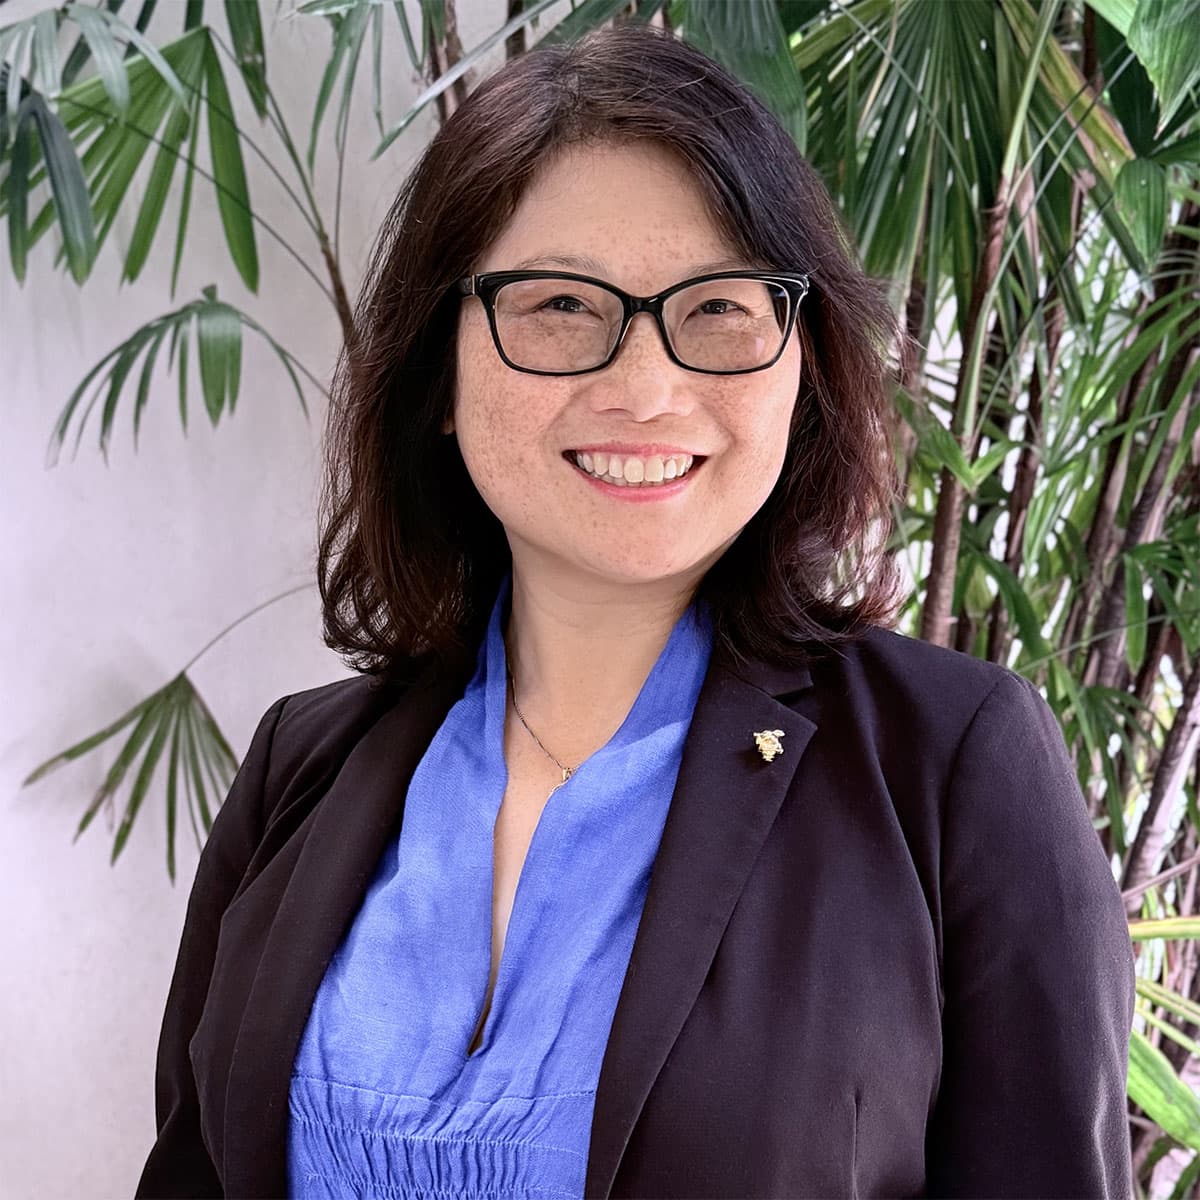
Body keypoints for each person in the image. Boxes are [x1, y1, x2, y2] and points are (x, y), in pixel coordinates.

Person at [136, 21, 1135, 1200]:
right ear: (437, 376)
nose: (647, 389)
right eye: (560, 304)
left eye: (718, 308)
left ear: (802, 360)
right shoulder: (302, 765)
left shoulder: (953, 766)